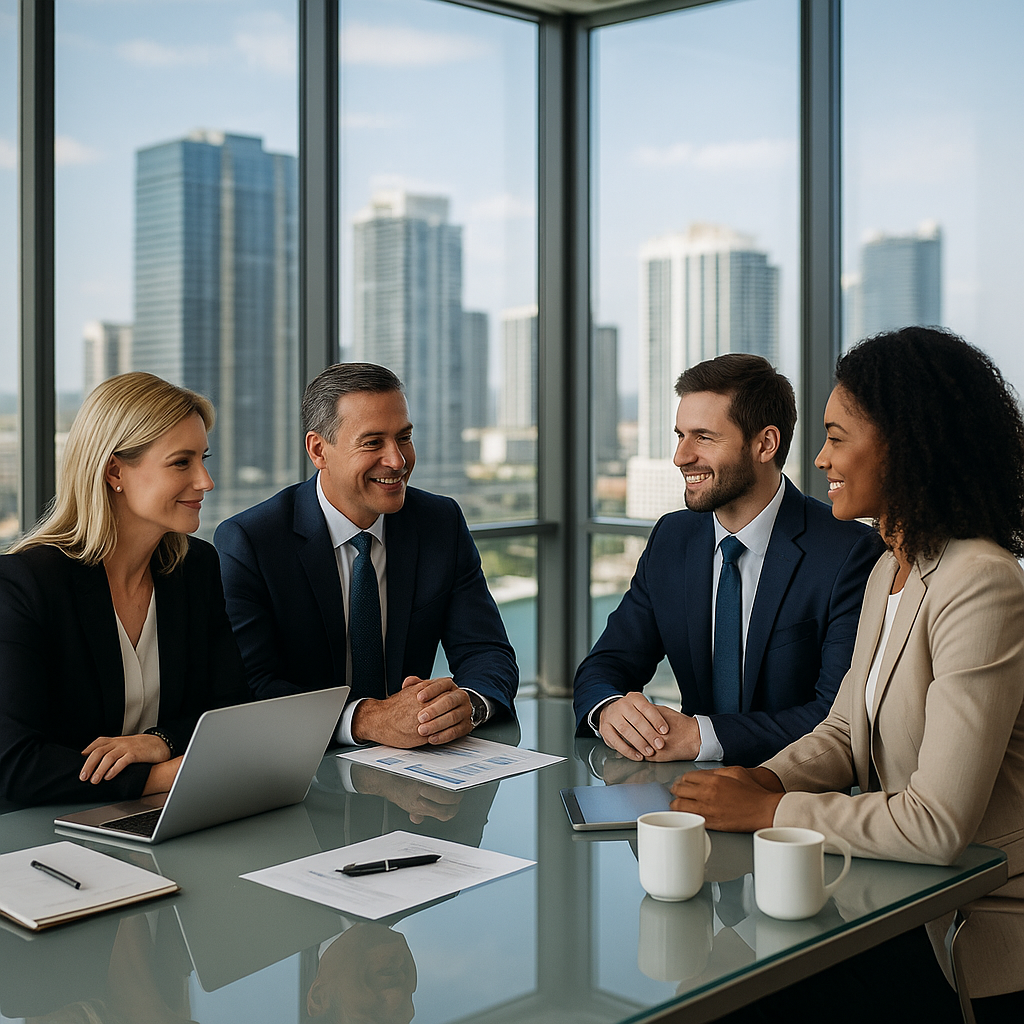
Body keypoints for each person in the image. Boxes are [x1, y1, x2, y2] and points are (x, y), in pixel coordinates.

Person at [671, 327, 1024, 1021]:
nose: (821, 457)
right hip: (904, 902)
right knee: (723, 978)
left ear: (906, 443)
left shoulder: (982, 583)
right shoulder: (891, 568)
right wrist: (762, 778)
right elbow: (841, 730)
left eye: (836, 436)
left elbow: (934, 825)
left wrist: (769, 810)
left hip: (982, 927)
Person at [574, 353, 882, 767]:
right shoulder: (672, 537)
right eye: (679, 435)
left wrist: (701, 737)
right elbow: (606, 664)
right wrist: (610, 708)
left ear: (764, 444)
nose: (681, 457)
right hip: (680, 793)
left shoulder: (850, 551)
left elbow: (834, 716)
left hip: (791, 803)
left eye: (703, 437)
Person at [214, 362, 518, 749]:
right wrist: (365, 720)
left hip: (417, 766)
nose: (397, 460)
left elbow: (486, 651)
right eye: (373, 442)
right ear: (318, 450)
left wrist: (467, 705)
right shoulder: (250, 542)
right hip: (301, 764)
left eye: (404, 437)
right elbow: (251, 686)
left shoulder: (439, 522)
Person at [0, 372, 248, 807]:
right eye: (181, 462)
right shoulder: (25, 585)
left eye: (203, 459)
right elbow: (15, 762)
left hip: (171, 813)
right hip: (47, 833)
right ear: (115, 470)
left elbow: (230, 709)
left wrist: (161, 740)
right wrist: (160, 776)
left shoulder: (196, 567)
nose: (205, 481)